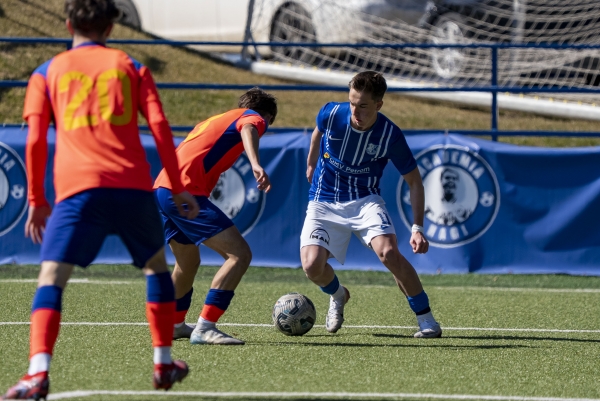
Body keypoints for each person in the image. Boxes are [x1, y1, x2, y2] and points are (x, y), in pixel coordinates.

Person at [1, 0, 201, 399]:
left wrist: (38, 198)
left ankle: (38, 373)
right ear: (110, 29)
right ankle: (163, 362)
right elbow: (160, 127)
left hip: (79, 191)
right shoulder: (131, 67)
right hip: (132, 187)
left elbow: (36, 139)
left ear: (67, 24)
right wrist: (178, 185)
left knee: (51, 278)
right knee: (156, 269)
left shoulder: (45, 72)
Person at [300, 71, 442, 338]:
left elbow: (414, 182)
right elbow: (319, 130)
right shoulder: (332, 113)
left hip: (365, 200)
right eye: (352, 102)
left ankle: (427, 320)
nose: (355, 111)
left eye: (363, 106)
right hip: (324, 198)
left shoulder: (390, 134)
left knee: (389, 254)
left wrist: (418, 228)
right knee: (311, 266)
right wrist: (311, 161)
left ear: (379, 105)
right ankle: (339, 295)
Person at [153, 88, 277, 345]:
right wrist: (255, 163)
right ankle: (205, 327)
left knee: (187, 263)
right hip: (183, 192)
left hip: (163, 189)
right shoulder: (252, 117)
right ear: (266, 117)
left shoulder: (215, 120)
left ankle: (173, 325)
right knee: (239, 255)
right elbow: (250, 127)